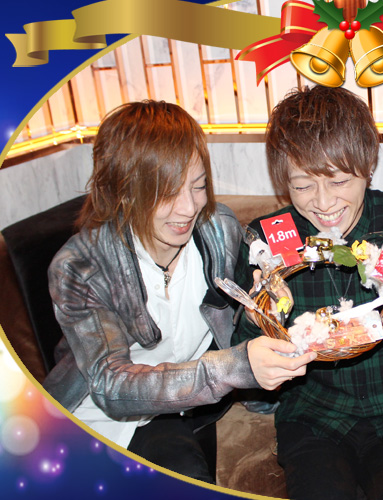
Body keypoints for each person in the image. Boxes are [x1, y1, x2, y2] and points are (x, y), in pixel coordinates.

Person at [42, 100, 316, 484]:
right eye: (167, 192)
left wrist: (260, 310)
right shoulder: (83, 266)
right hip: (101, 417)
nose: (188, 207)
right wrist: (234, 366)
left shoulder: (218, 231)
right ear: (123, 191)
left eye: (198, 185)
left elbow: (242, 313)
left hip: (185, 407)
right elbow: (111, 387)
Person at [232, 85, 383, 500]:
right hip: (315, 419)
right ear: (284, 181)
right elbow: (244, 357)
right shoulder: (269, 241)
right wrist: (257, 323)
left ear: (368, 166)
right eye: (303, 186)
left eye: (339, 181)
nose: (323, 202)